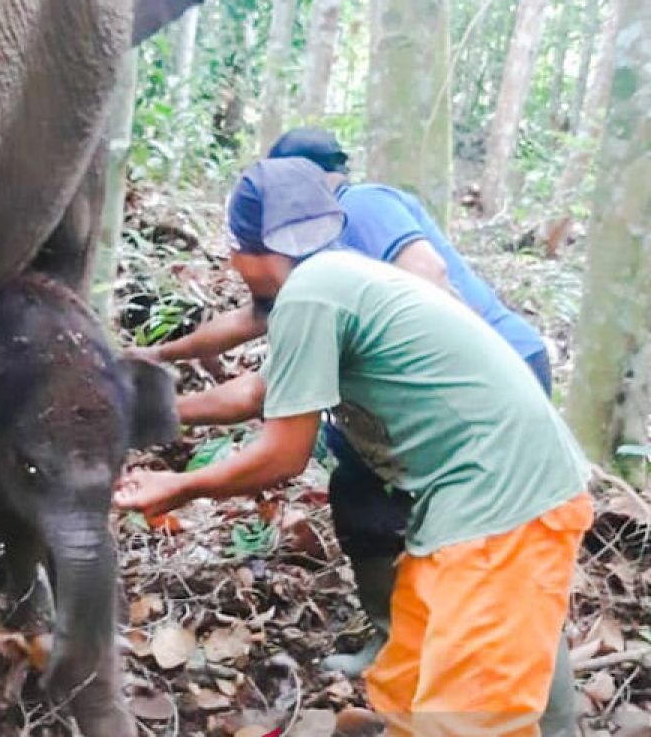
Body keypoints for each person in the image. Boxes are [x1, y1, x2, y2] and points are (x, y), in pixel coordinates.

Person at [117, 156, 593, 736]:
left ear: (248, 253)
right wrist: (155, 414)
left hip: (501, 506)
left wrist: (180, 486)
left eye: (233, 249)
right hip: (468, 500)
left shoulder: (312, 296)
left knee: (469, 712)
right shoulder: (338, 276)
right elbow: (264, 390)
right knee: (412, 681)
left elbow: (283, 455)